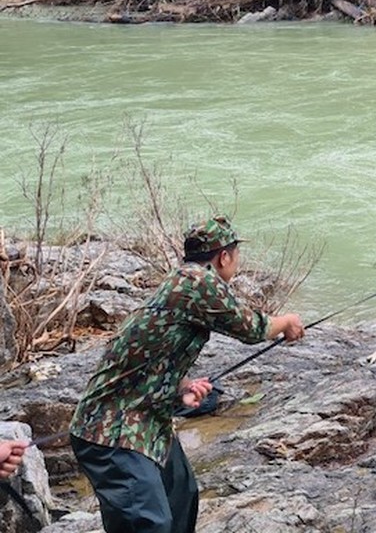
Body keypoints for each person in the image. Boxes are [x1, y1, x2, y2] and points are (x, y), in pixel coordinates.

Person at [69, 216, 305, 533]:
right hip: (111, 431)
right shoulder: (198, 282)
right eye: (235, 254)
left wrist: (182, 386)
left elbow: (146, 355)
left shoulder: (180, 280)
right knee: (149, 524)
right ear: (225, 256)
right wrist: (287, 321)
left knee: (182, 496)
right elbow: (251, 327)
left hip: (148, 421)